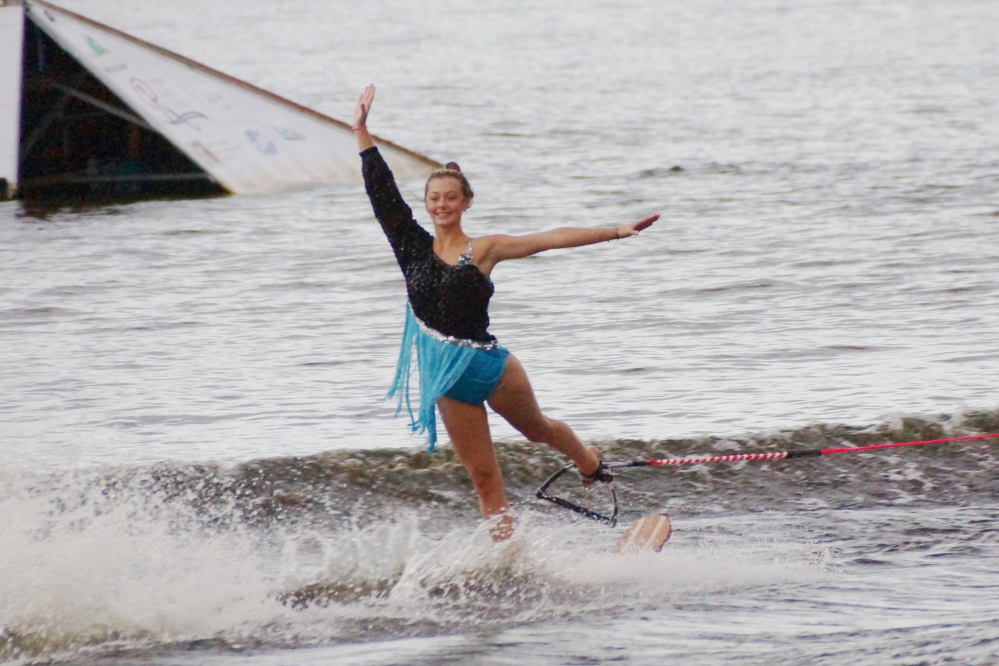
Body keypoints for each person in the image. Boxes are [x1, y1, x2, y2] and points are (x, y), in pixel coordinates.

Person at [352, 85, 659, 540]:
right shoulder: (410, 246)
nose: (441, 205)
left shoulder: (484, 249)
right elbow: (382, 193)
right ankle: (507, 560)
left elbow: (547, 238)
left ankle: (588, 461)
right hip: (445, 376)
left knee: (538, 430)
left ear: (465, 202)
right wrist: (361, 132)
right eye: (434, 198)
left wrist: (616, 230)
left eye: (450, 198)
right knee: (484, 477)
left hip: (490, 366)